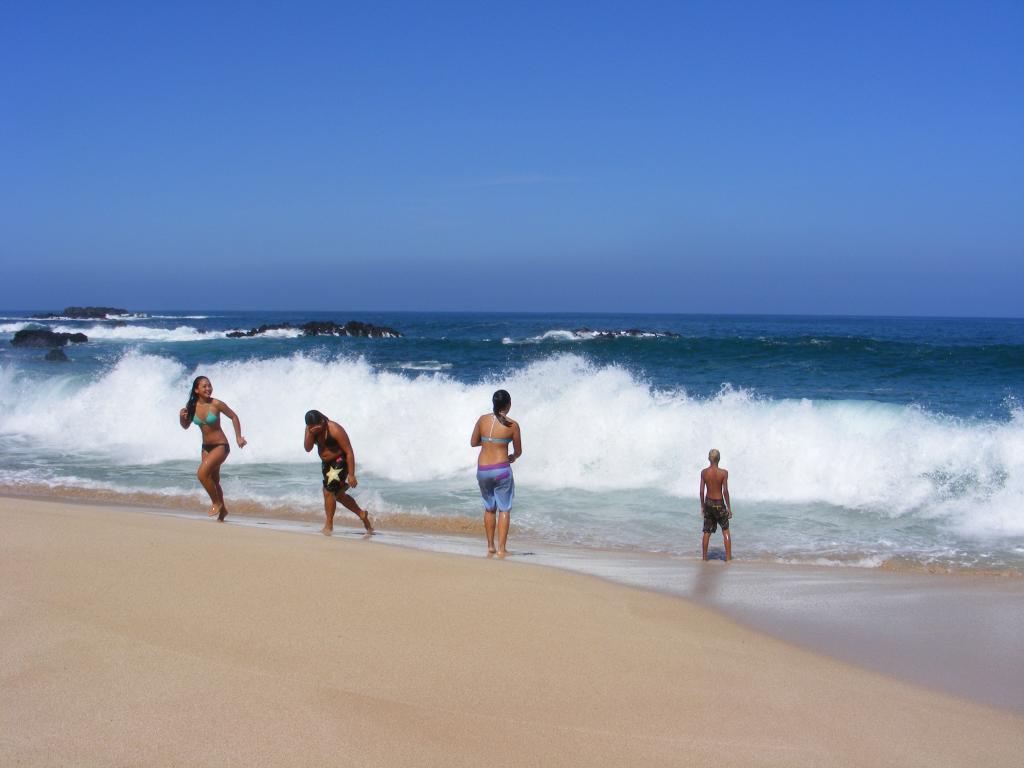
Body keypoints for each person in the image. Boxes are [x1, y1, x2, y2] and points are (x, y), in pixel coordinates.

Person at [178, 376, 246, 521]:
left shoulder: (216, 404)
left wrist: (238, 437)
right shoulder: (192, 406)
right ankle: (223, 512)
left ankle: (216, 502)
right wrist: (181, 417)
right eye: (204, 386)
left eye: (209, 385)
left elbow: (233, 416)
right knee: (214, 480)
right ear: (196, 390)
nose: (208, 388)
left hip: (221, 446)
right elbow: (185, 426)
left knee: (202, 474)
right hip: (206, 447)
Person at [303, 410, 373, 536]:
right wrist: (309, 431)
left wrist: (351, 475)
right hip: (326, 465)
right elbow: (307, 448)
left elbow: (349, 452)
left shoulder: (334, 429)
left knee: (328, 491)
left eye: (317, 426)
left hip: (340, 461)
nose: (315, 428)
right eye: (311, 426)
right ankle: (362, 514)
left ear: (322, 421)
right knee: (338, 495)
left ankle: (328, 525)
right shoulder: (311, 429)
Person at [470, 389, 522, 557]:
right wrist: (512, 457)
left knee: (489, 508)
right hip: (501, 470)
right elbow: (518, 451)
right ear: (508, 405)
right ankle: (502, 549)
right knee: (504, 509)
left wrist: (489, 442)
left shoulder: (482, 420)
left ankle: (491, 546)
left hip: (483, 470)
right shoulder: (512, 425)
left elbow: (473, 442)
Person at [700, 448, 732, 561]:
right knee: (725, 530)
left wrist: (703, 507)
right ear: (719, 459)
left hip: (708, 502)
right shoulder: (724, 473)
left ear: (709, 458)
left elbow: (701, 492)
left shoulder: (704, 472)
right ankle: (728, 559)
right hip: (719, 503)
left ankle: (704, 558)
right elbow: (725, 492)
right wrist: (728, 508)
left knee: (707, 531)